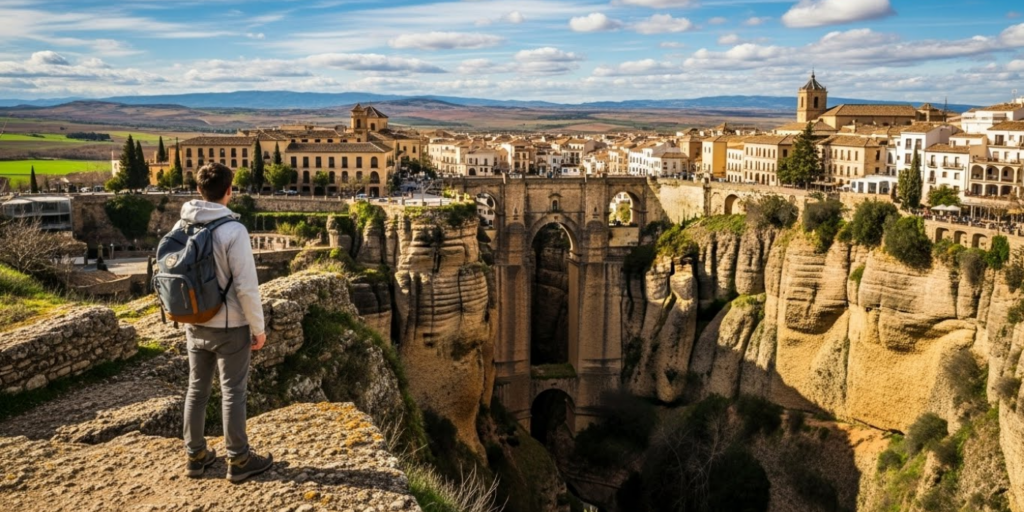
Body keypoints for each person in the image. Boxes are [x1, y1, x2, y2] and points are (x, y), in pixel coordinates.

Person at [178, 163, 273, 483]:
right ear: (229, 190)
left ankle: (195, 456)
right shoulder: (234, 231)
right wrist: (258, 329)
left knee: (196, 389)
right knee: (233, 392)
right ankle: (239, 459)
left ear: (199, 191)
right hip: (230, 326)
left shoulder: (183, 224)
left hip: (194, 320)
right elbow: (247, 287)